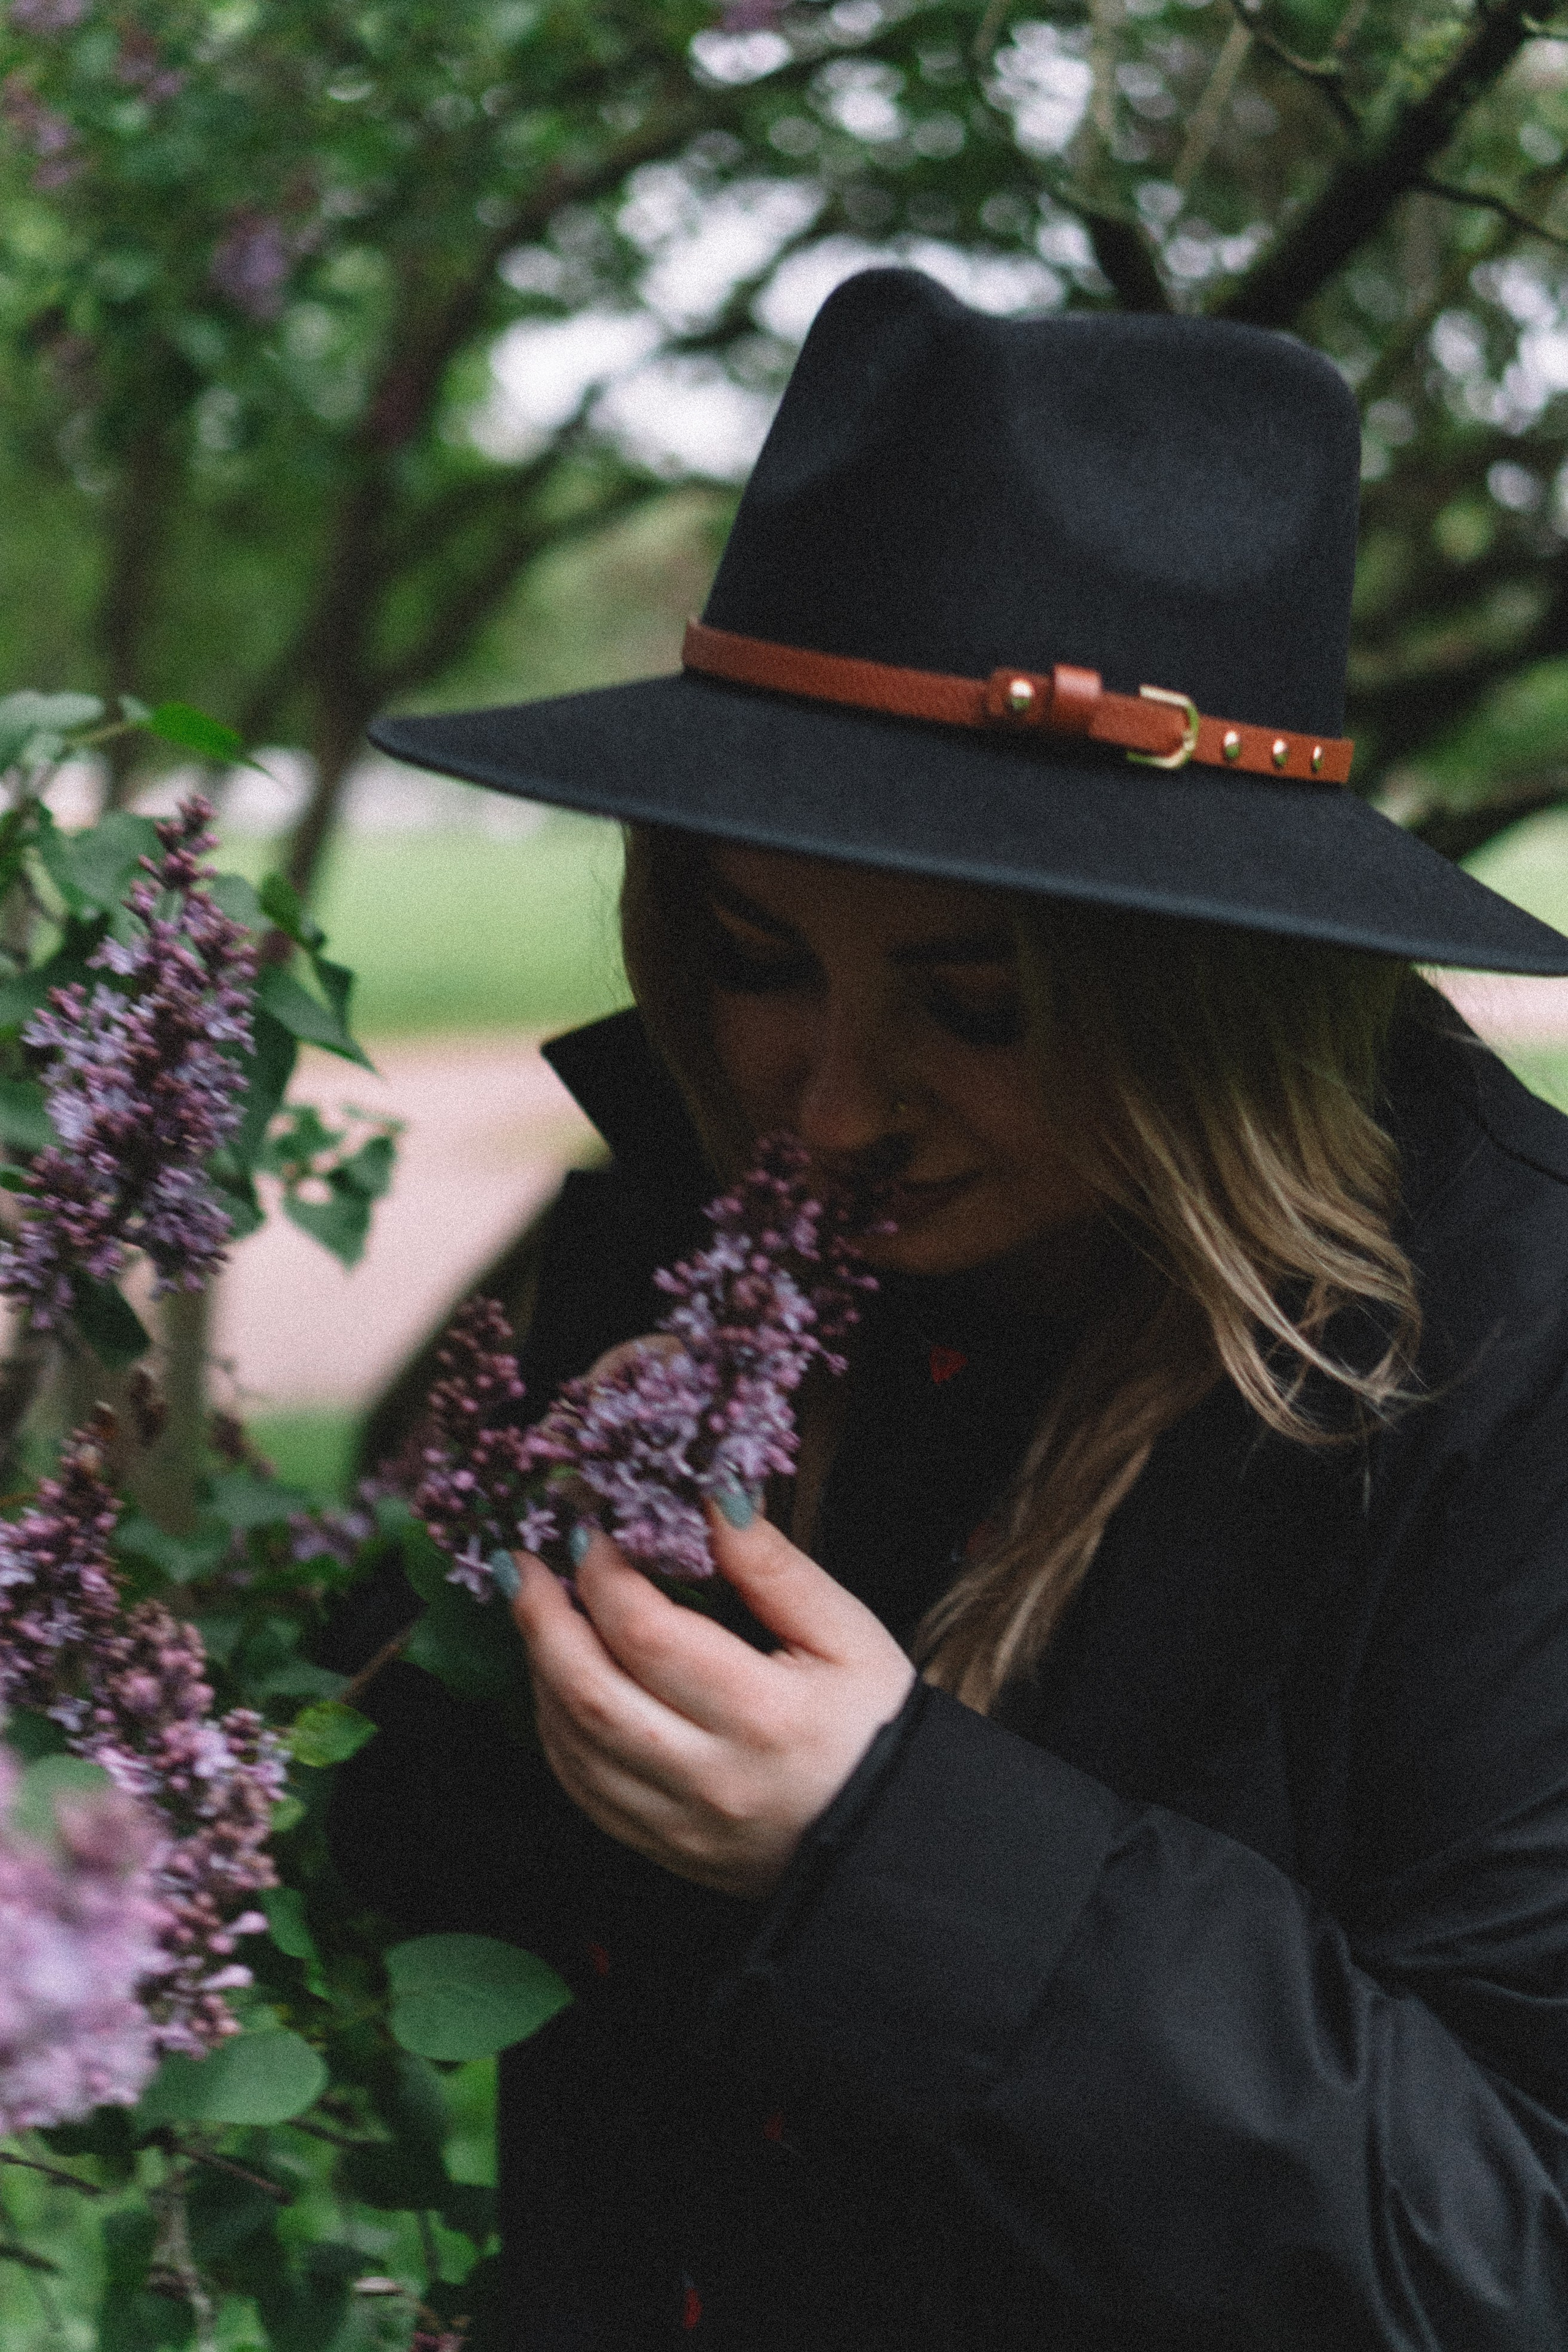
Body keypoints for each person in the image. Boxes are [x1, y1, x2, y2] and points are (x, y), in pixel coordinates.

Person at [329, 270, 1568, 2348]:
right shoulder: (689, 1216)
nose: (828, 1099)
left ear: (1210, 987)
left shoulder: (1512, 1364)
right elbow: (438, 1917)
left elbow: (1506, 2247)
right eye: (755, 952)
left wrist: (891, 1849)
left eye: (974, 1000)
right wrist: (515, 1605)